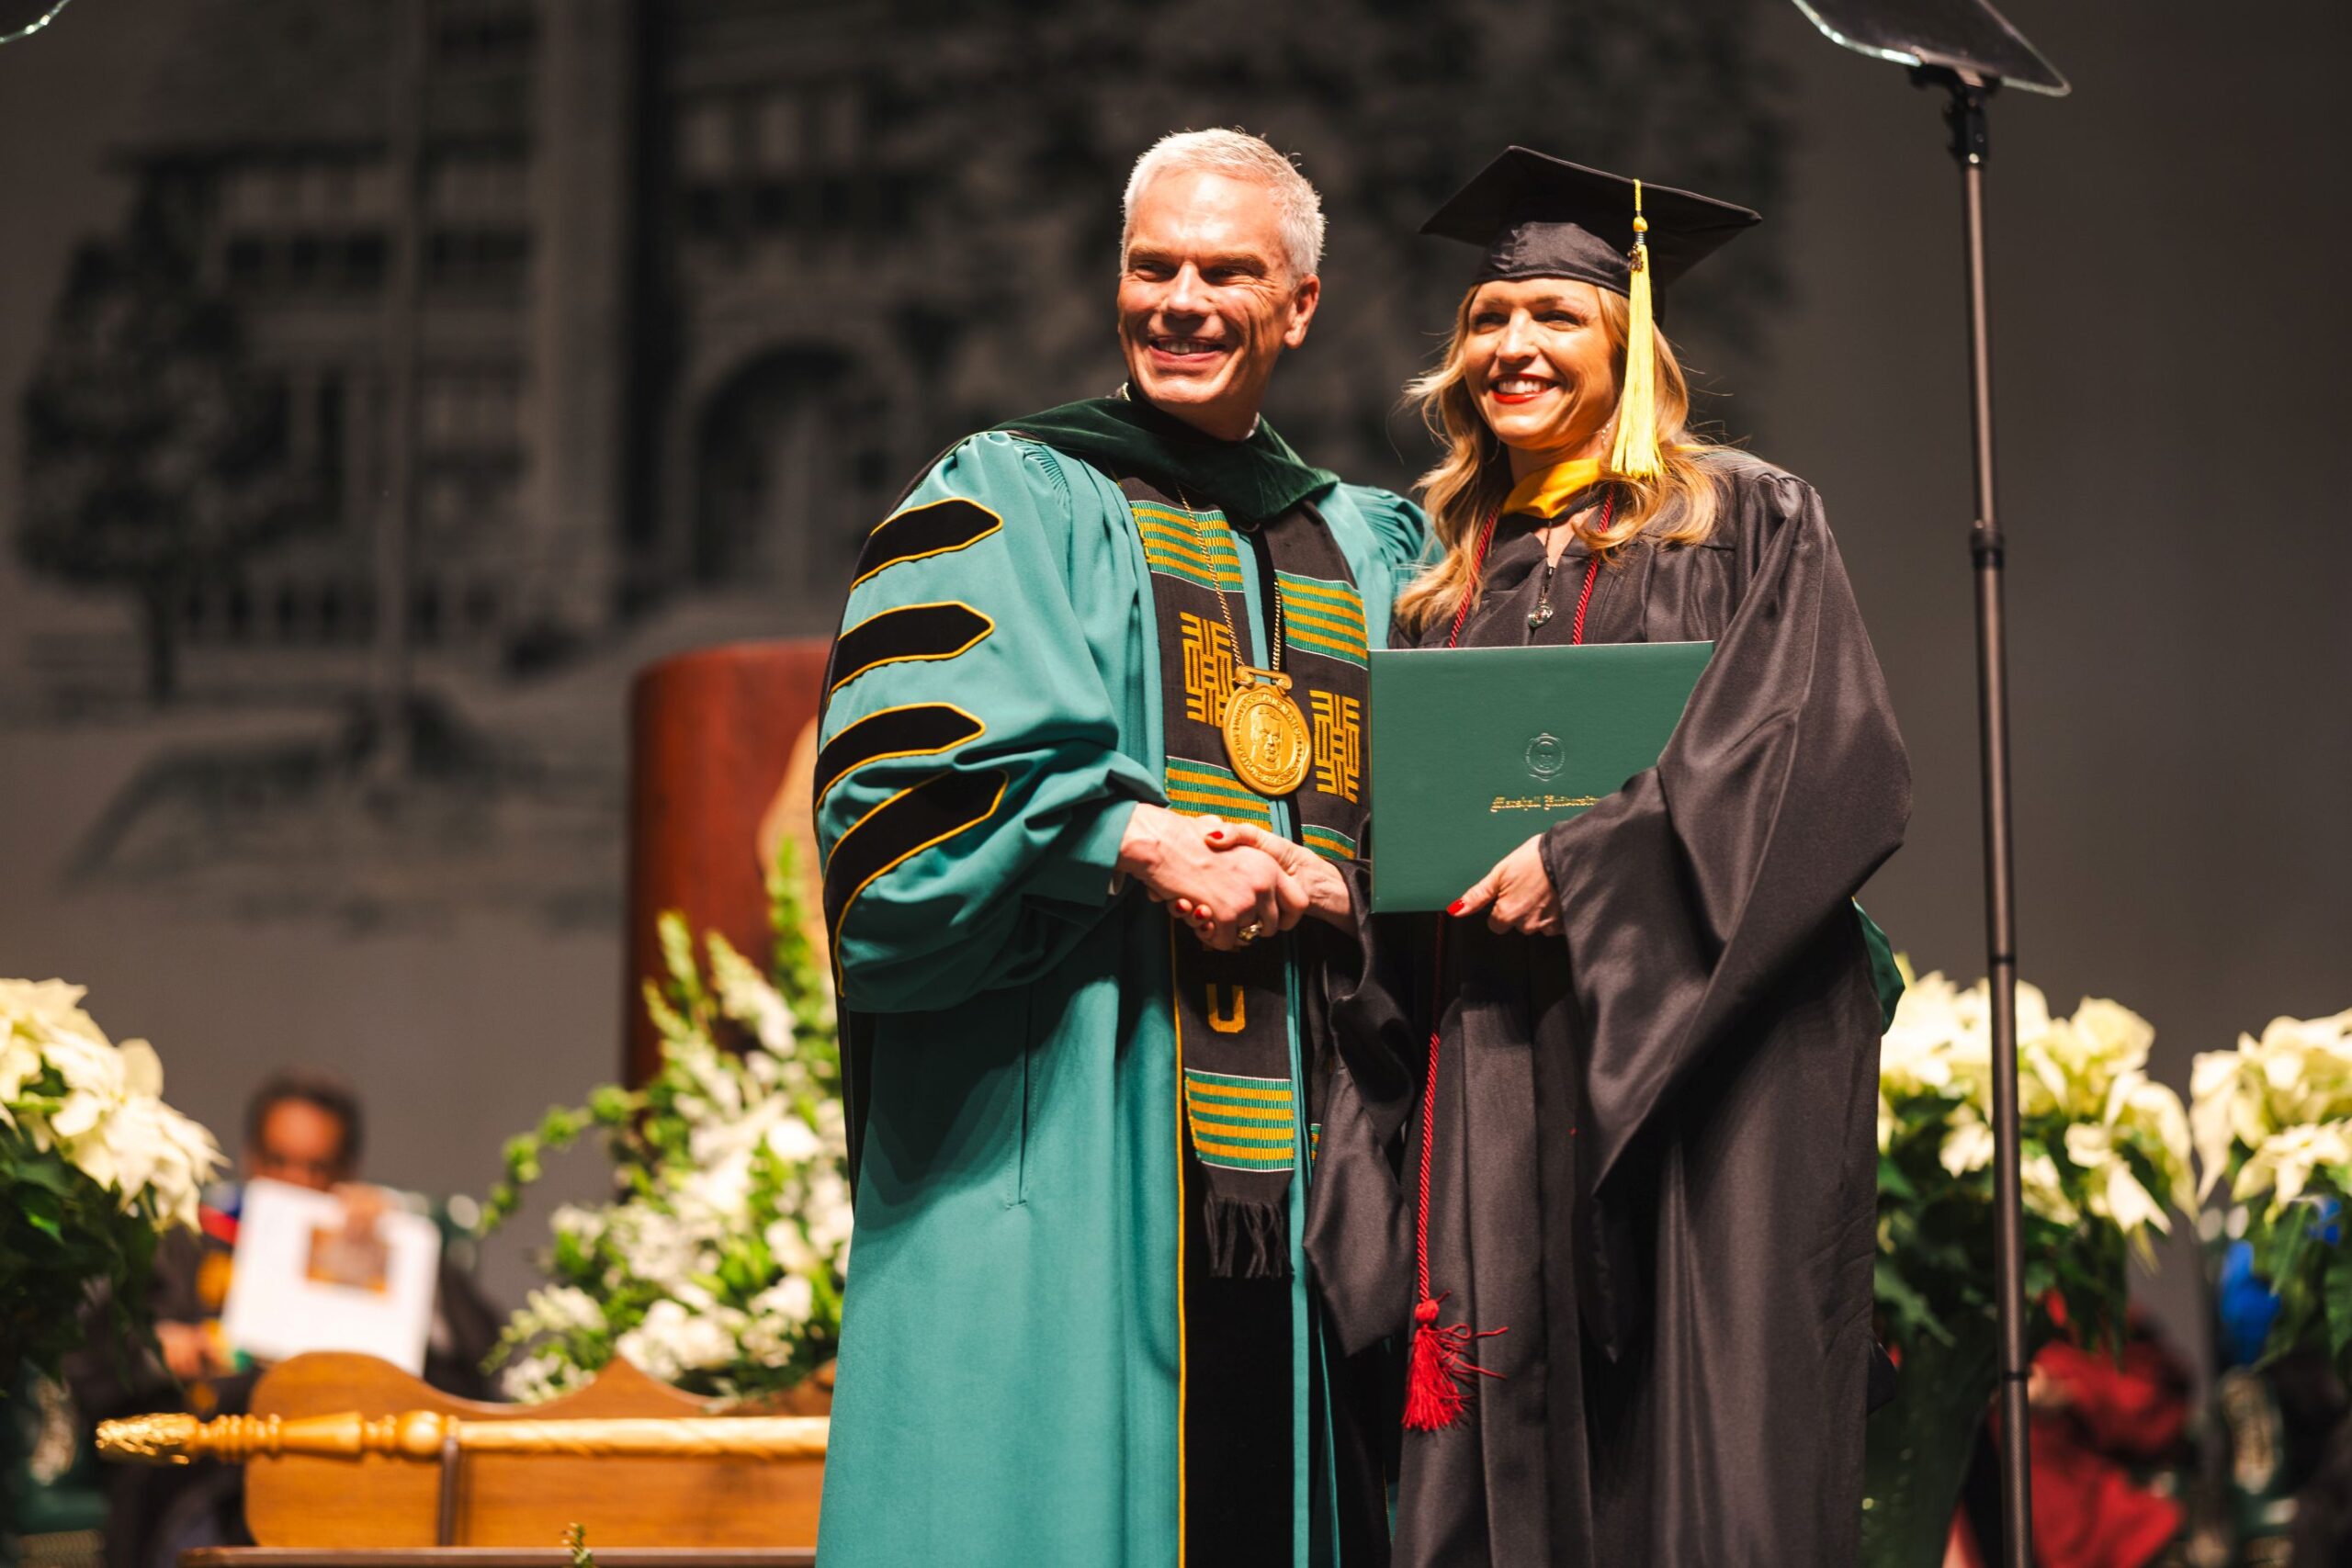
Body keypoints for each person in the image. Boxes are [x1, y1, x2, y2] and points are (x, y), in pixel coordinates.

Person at [1207, 147, 1911, 1564]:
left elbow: (1812, 755)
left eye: (1555, 315)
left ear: (1630, 340)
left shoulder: (1746, 519)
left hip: (1703, 1085)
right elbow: (1429, 839)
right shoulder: (1448, 579)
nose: (1512, 345)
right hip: (1499, 1063)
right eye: (1488, 317)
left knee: (1697, 1448)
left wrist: (1589, 866)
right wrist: (1341, 885)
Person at [810, 129, 1427, 1567]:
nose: (1182, 302)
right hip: (1084, 1121)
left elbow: (1443, 823)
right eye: (1154, 267)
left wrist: (1336, 886)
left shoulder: (1376, 548)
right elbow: (897, 806)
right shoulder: (1008, 497)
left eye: (1227, 272)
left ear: (1300, 304)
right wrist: (1128, 836)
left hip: (1317, 1159)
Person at [69, 1070, 501, 1568]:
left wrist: (403, 1263)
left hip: (359, 1481)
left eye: (317, 1167)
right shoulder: (191, 1244)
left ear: (348, 1170)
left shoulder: (375, 1246)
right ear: (251, 1158)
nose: (296, 1182)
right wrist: (162, 1352)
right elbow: (91, 1363)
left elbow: (479, 1368)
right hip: (213, 1480)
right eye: (278, 1162)